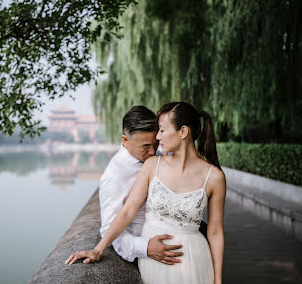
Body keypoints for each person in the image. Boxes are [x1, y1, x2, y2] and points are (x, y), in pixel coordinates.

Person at [65, 102, 226, 284]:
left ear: (183, 132)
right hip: (154, 263)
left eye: (162, 131)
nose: (157, 138)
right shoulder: (150, 166)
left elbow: (215, 231)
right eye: (157, 133)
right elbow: (127, 212)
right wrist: (98, 250)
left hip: (195, 259)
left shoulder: (215, 177)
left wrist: (218, 279)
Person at [98, 106, 184, 265]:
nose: (152, 151)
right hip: (151, 252)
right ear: (125, 140)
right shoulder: (114, 176)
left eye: (155, 143)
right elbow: (108, 229)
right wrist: (145, 247)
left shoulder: (157, 155)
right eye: (145, 146)